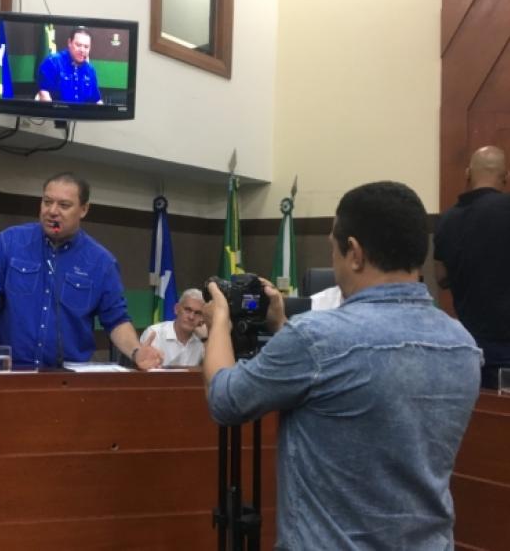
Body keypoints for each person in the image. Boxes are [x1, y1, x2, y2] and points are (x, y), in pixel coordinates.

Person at [202, 181, 481, 550]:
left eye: (332, 249)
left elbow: (225, 399)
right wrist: (281, 326)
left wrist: (219, 321)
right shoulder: (463, 344)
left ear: (355, 253)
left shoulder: (315, 339)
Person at [0, 172, 162, 372]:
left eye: (64, 205)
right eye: (47, 202)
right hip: (11, 372)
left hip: (68, 378)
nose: (52, 211)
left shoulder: (101, 262)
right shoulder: (10, 243)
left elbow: (116, 319)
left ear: (84, 209)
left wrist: (136, 352)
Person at [434, 145, 510, 389]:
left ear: (467, 173)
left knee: (479, 410)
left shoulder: (447, 220)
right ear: (506, 177)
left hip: (469, 345)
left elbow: (441, 277)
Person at [37, 27, 103, 104]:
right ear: (69, 43)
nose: (82, 50)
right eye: (78, 45)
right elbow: (44, 93)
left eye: (86, 47)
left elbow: (96, 100)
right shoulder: (53, 62)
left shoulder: (90, 70)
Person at [140, 289, 206, 366]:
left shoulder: (202, 340)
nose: (191, 317)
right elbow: (141, 368)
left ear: (202, 317)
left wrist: (205, 339)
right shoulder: (154, 333)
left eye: (197, 313)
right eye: (187, 310)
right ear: (176, 309)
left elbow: (214, 370)